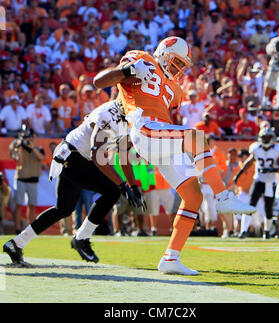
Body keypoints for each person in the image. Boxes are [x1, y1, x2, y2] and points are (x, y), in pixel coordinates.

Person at [92, 36, 255, 275]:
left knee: (193, 195)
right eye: (176, 62)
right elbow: (99, 82)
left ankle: (171, 258)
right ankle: (222, 197)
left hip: (159, 137)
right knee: (197, 137)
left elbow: (168, 112)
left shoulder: (176, 89)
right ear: (163, 52)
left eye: (182, 66)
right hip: (144, 129)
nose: (178, 69)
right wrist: (128, 70)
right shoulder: (141, 59)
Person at [3, 100, 144, 266]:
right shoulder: (109, 114)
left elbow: (124, 157)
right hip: (74, 156)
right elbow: (96, 152)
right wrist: (123, 185)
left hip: (72, 156)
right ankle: (81, 238)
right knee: (112, 191)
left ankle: (16, 244)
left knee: (62, 209)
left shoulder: (125, 121)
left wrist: (133, 185)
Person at [233, 127, 279, 240]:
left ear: (272, 138)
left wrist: (273, 170)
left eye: (268, 137)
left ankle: (266, 231)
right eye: (264, 137)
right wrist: (240, 173)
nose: (266, 139)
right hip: (259, 180)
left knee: (268, 208)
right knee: (250, 204)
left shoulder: (277, 149)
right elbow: (250, 161)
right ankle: (243, 231)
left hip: (270, 182)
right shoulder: (256, 148)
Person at [8, 127, 45, 233]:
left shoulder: (38, 148)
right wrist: (18, 144)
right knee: (19, 204)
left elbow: (42, 158)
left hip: (33, 180)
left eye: (31, 137)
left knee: (32, 205)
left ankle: (30, 229)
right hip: (21, 178)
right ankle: (17, 228)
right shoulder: (19, 148)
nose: (30, 139)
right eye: (28, 137)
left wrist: (32, 147)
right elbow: (16, 159)